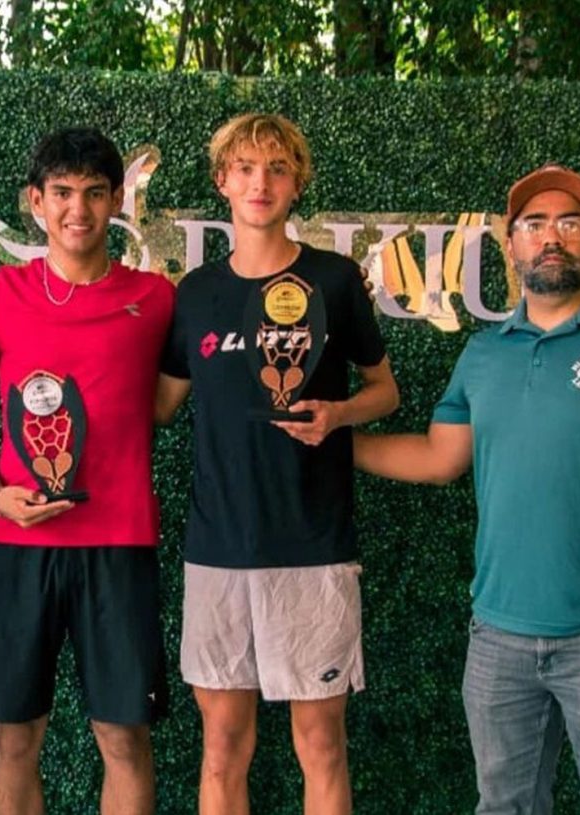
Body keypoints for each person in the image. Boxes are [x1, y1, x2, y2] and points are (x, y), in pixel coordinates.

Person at [354, 164, 580, 814]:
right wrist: (333, 442)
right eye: (534, 224)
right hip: (499, 635)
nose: (552, 237)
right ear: (512, 244)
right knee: (504, 806)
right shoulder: (486, 353)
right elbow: (438, 457)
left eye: (571, 223)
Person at [155, 113, 400, 815]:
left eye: (277, 169)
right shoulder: (195, 293)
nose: (260, 182)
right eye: (245, 168)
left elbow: (385, 391)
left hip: (313, 548)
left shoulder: (334, 279)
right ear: (222, 182)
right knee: (222, 748)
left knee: (320, 745)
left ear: (297, 184)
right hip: (218, 551)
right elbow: (160, 405)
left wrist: (338, 414)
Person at [0, 127, 174, 815]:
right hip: (18, 543)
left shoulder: (156, 299)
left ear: (116, 201)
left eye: (94, 193)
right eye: (62, 193)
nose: (78, 209)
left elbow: (165, 405)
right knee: (15, 736)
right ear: (36, 201)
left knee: (124, 736)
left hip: (120, 543)